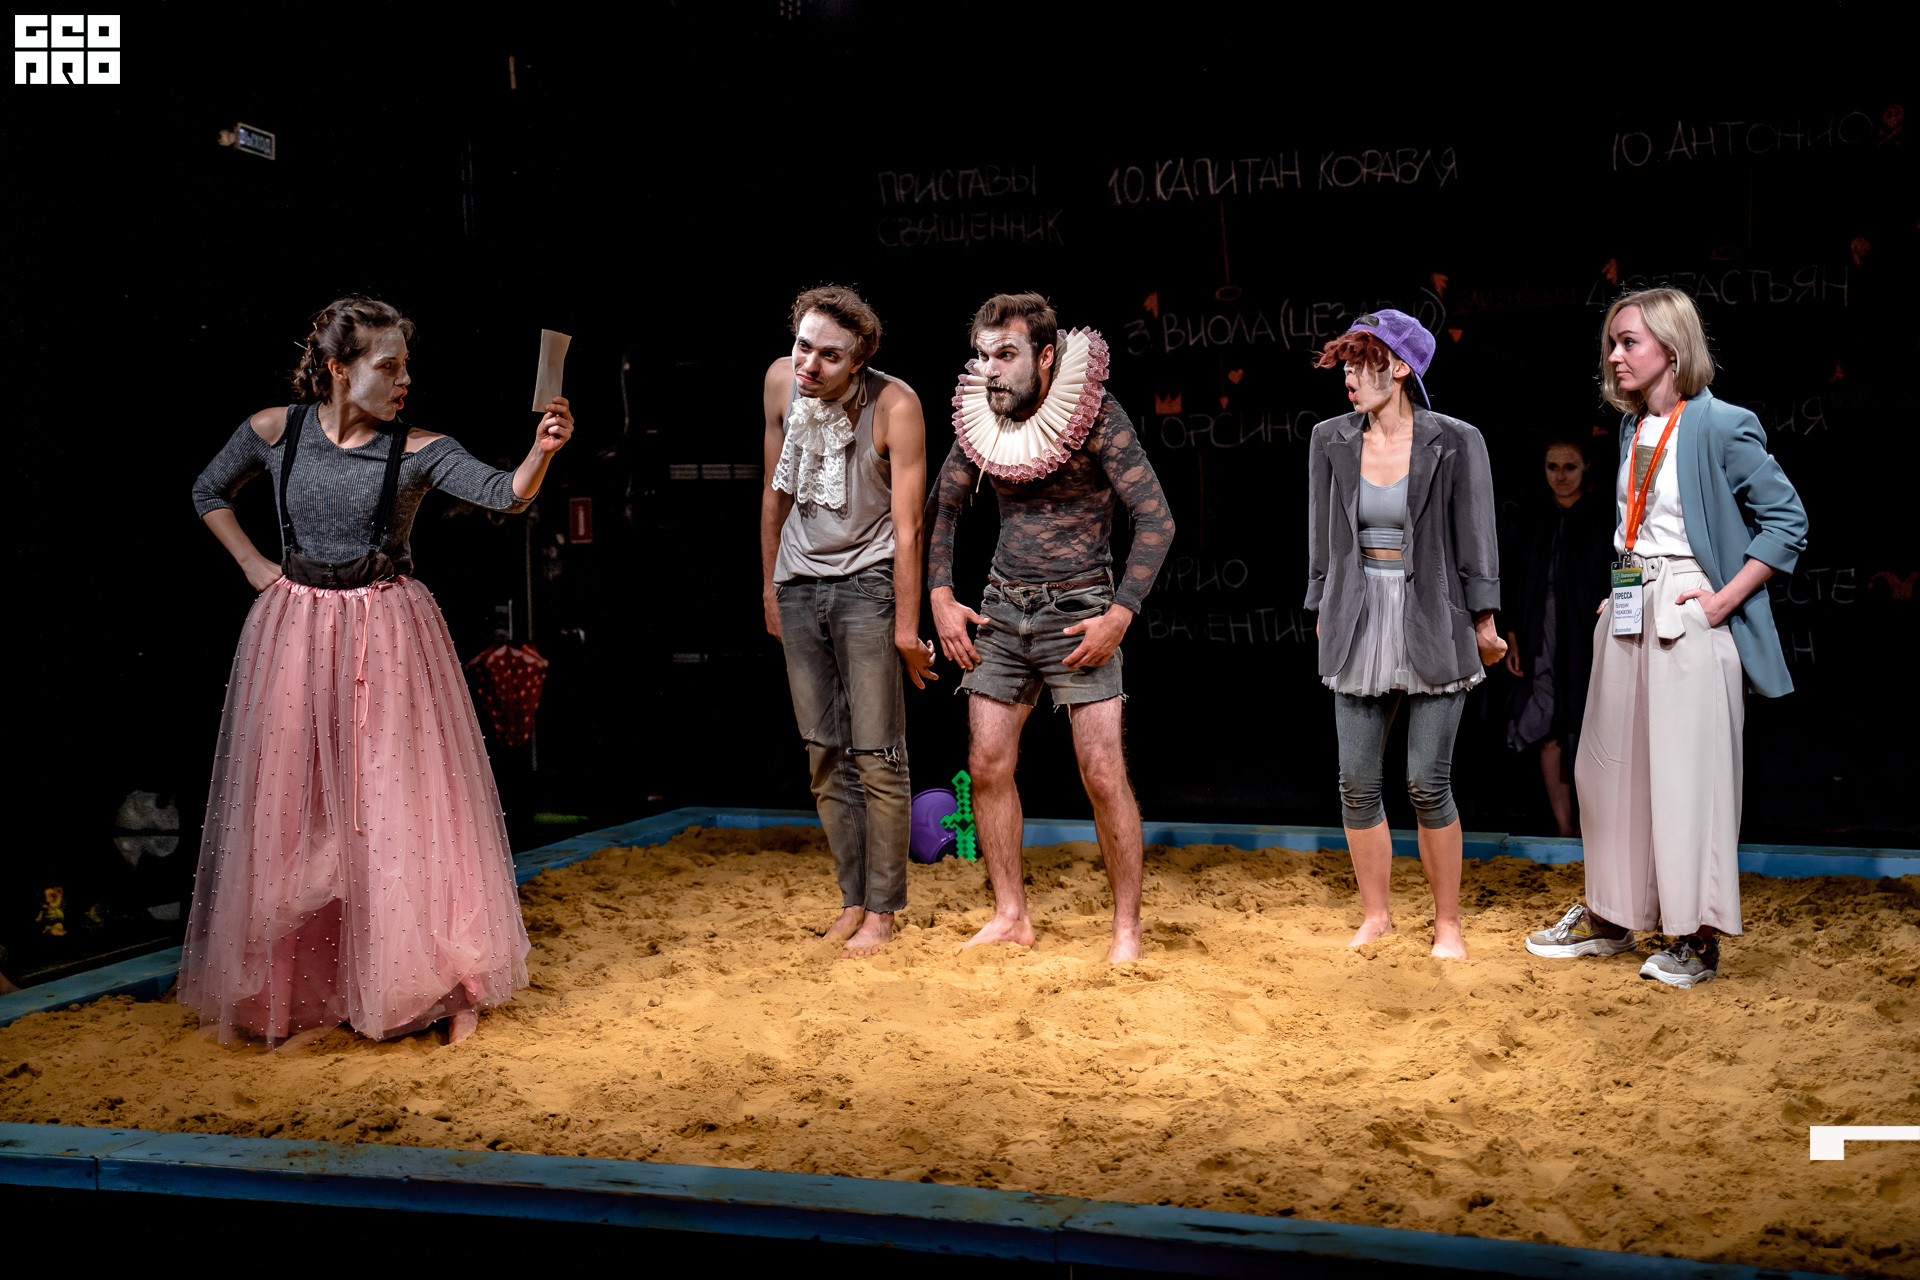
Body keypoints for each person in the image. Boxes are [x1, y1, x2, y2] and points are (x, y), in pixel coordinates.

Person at [181, 295, 573, 1046]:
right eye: (387, 366)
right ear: (338, 369)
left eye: (406, 366)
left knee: (396, 805)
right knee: (296, 805)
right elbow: (208, 491)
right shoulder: (276, 430)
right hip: (296, 630)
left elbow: (506, 495)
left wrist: (542, 451)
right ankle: (302, 986)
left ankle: (437, 985)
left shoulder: (420, 448)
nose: (404, 381)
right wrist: (255, 564)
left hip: (384, 634)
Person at [1527, 288, 1807, 988]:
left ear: (1672, 349)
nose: (1614, 356)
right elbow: (1641, 527)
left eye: (1629, 342)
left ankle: (1696, 939)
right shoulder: (1630, 429)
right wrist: (1624, 590)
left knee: (1688, 782)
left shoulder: (1723, 424)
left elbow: (1788, 521)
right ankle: (1611, 917)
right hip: (1630, 607)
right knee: (1606, 772)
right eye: (1612, 343)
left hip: (1688, 612)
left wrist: (1722, 601)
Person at [929, 293, 1173, 964]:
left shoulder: (1094, 415)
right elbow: (943, 508)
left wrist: (1120, 614)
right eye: (983, 355)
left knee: (1102, 771)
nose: (991, 369)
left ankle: (1127, 929)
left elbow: (1156, 517)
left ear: (1043, 356)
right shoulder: (984, 419)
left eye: (1005, 354)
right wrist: (942, 597)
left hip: (1081, 610)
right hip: (1003, 608)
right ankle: (1010, 915)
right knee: (986, 764)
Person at [1304, 310, 1505, 960]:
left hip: (1432, 618)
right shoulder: (1330, 439)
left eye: (1359, 363)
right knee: (1357, 782)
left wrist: (1485, 619)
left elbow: (1476, 536)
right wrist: (1321, 606)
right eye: (1344, 364)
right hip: (1358, 618)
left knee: (1426, 781)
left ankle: (1447, 924)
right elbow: (1322, 540)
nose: (1347, 377)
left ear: (1398, 367)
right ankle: (1377, 916)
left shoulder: (1456, 440)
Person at [761, 284, 934, 957]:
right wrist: (771, 587)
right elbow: (773, 493)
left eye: (829, 356)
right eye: (803, 346)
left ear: (858, 359)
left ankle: (883, 911)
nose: (809, 364)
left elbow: (909, 526)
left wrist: (906, 628)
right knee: (824, 753)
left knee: (878, 756)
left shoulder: (896, 405)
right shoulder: (781, 382)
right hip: (799, 585)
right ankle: (852, 899)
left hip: (868, 585)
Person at [1501, 434, 1614, 836]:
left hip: (1588, 638)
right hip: (1541, 637)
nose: (1561, 476)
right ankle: (1566, 830)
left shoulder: (1603, 519)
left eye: (1570, 467)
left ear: (1586, 468)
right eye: (1553, 467)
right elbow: (1514, 579)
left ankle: (1593, 831)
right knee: (1547, 728)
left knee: (1590, 731)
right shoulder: (1531, 518)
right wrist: (1513, 637)